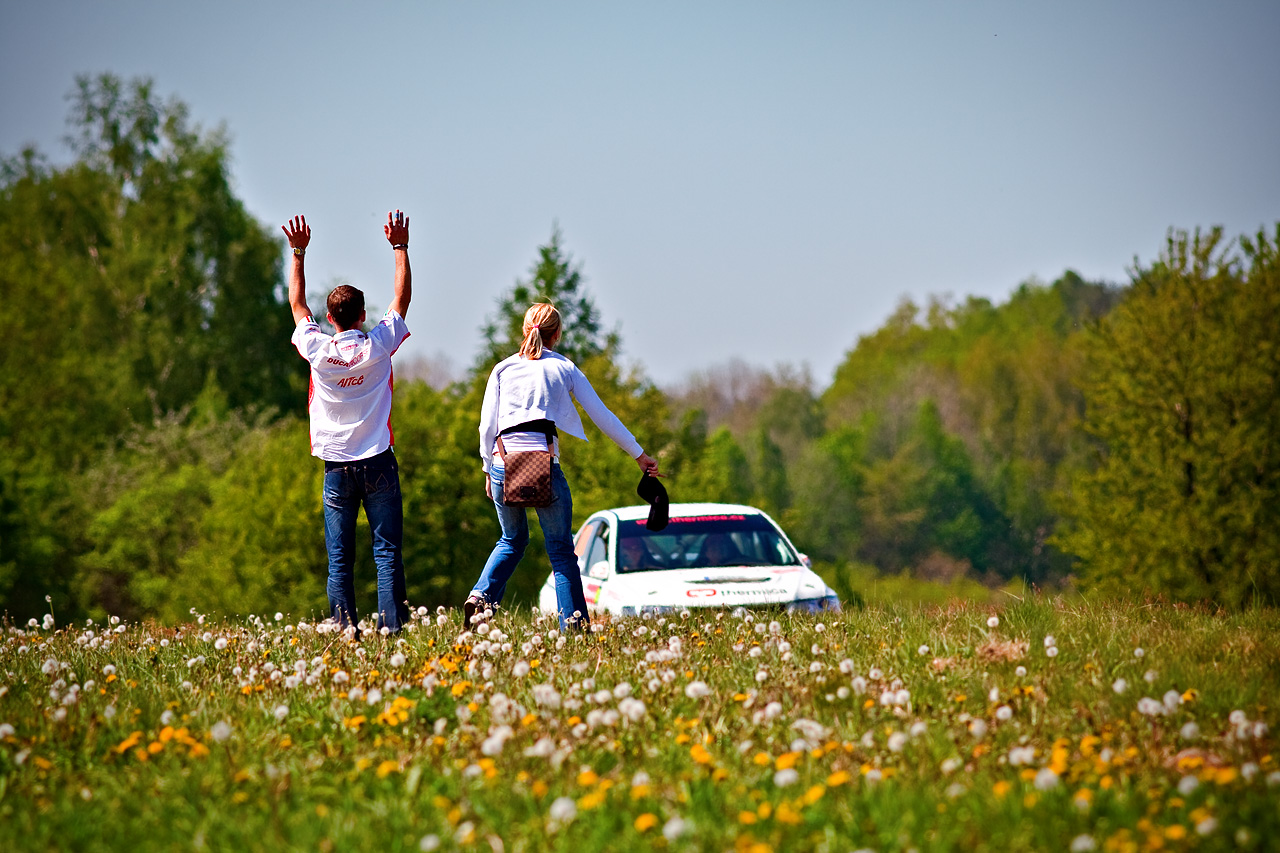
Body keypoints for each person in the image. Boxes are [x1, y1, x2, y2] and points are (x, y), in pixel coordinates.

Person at [468, 303, 661, 629]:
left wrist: (488, 469)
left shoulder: (501, 369)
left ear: (524, 330)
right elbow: (602, 416)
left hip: (503, 463)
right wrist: (639, 454)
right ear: (557, 334)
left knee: (511, 540)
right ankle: (573, 627)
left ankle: (479, 598)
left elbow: (487, 426)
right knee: (560, 551)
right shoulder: (564, 368)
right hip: (543, 467)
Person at [283, 211, 412, 639]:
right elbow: (402, 301)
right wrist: (400, 247)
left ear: (331, 318)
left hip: (336, 466)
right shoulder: (377, 347)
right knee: (386, 552)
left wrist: (298, 253)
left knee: (340, 557)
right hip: (378, 460)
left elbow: (297, 305)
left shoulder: (317, 350)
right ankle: (391, 630)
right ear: (361, 315)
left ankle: (344, 630)